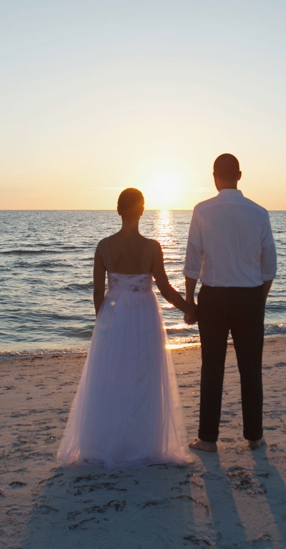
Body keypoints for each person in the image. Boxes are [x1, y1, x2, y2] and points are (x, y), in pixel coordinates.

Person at [56, 188, 194, 467]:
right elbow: (165, 288)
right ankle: (142, 440)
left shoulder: (104, 247)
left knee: (111, 377)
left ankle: (109, 439)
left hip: (114, 315)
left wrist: (102, 322)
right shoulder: (152, 247)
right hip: (144, 314)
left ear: (118, 210)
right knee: (144, 375)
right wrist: (189, 308)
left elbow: (97, 291)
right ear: (141, 211)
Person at [183, 154, 277, 453]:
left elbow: (192, 260)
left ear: (215, 176)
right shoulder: (259, 213)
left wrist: (189, 301)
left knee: (212, 368)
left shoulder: (202, 210)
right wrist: (257, 300)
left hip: (214, 296)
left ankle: (208, 438)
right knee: (251, 368)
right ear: (239, 174)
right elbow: (269, 266)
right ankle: (255, 436)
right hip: (249, 296)